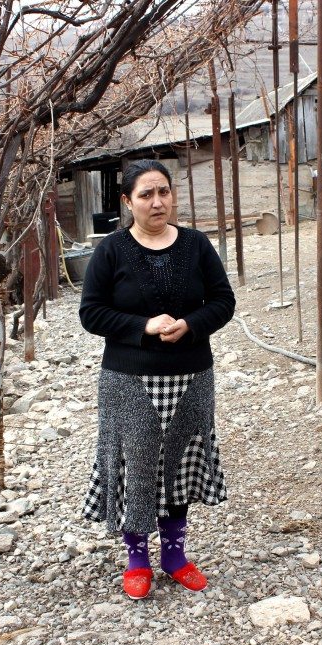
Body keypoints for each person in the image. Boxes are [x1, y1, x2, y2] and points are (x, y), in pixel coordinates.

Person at [79, 159, 235, 600]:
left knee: (180, 465)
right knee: (137, 465)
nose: (157, 202)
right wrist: (143, 327)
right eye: (146, 194)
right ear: (128, 201)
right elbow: (90, 312)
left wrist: (191, 323)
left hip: (191, 376)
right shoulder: (111, 250)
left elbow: (223, 301)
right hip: (129, 379)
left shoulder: (196, 245)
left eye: (163, 191)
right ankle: (137, 558)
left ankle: (174, 555)